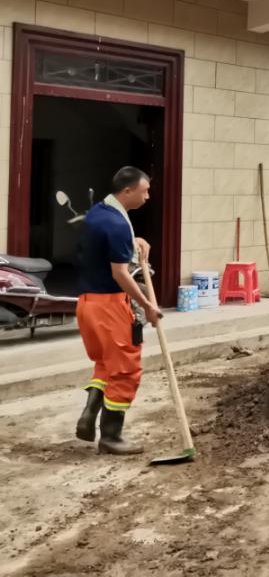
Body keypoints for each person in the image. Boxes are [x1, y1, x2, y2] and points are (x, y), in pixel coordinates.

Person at [74, 166, 162, 455]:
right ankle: (111, 436)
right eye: (144, 190)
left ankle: (89, 415)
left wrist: (133, 241)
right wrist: (148, 305)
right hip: (110, 306)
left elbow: (107, 245)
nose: (148, 196)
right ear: (127, 191)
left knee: (104, 364)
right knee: (125, 370)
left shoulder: (99, 212)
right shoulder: (117, 224)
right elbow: (120, 274)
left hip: (86, 304)